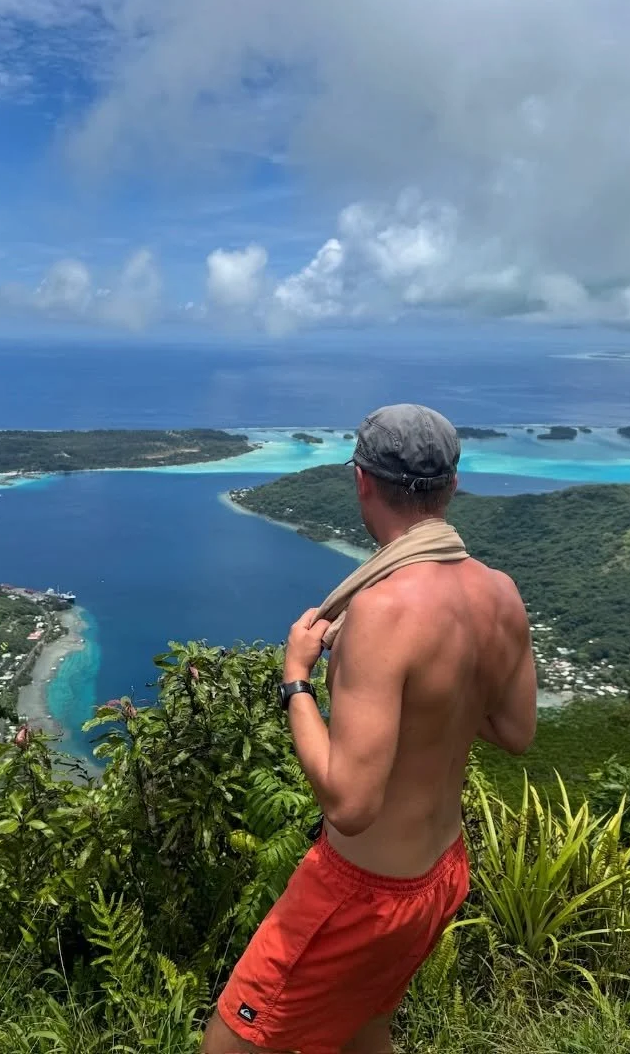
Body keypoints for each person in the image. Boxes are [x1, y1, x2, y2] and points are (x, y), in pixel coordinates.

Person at [202, 404, 538, 1054]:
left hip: (361, 892)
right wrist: (437, 704)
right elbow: (516, 730)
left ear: (361, 480)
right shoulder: (500, 593)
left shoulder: (381, 612)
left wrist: (296, 680)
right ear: (452, 486)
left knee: (229, 1041)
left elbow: (352, 804)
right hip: (442, 873)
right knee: (364, 1027)